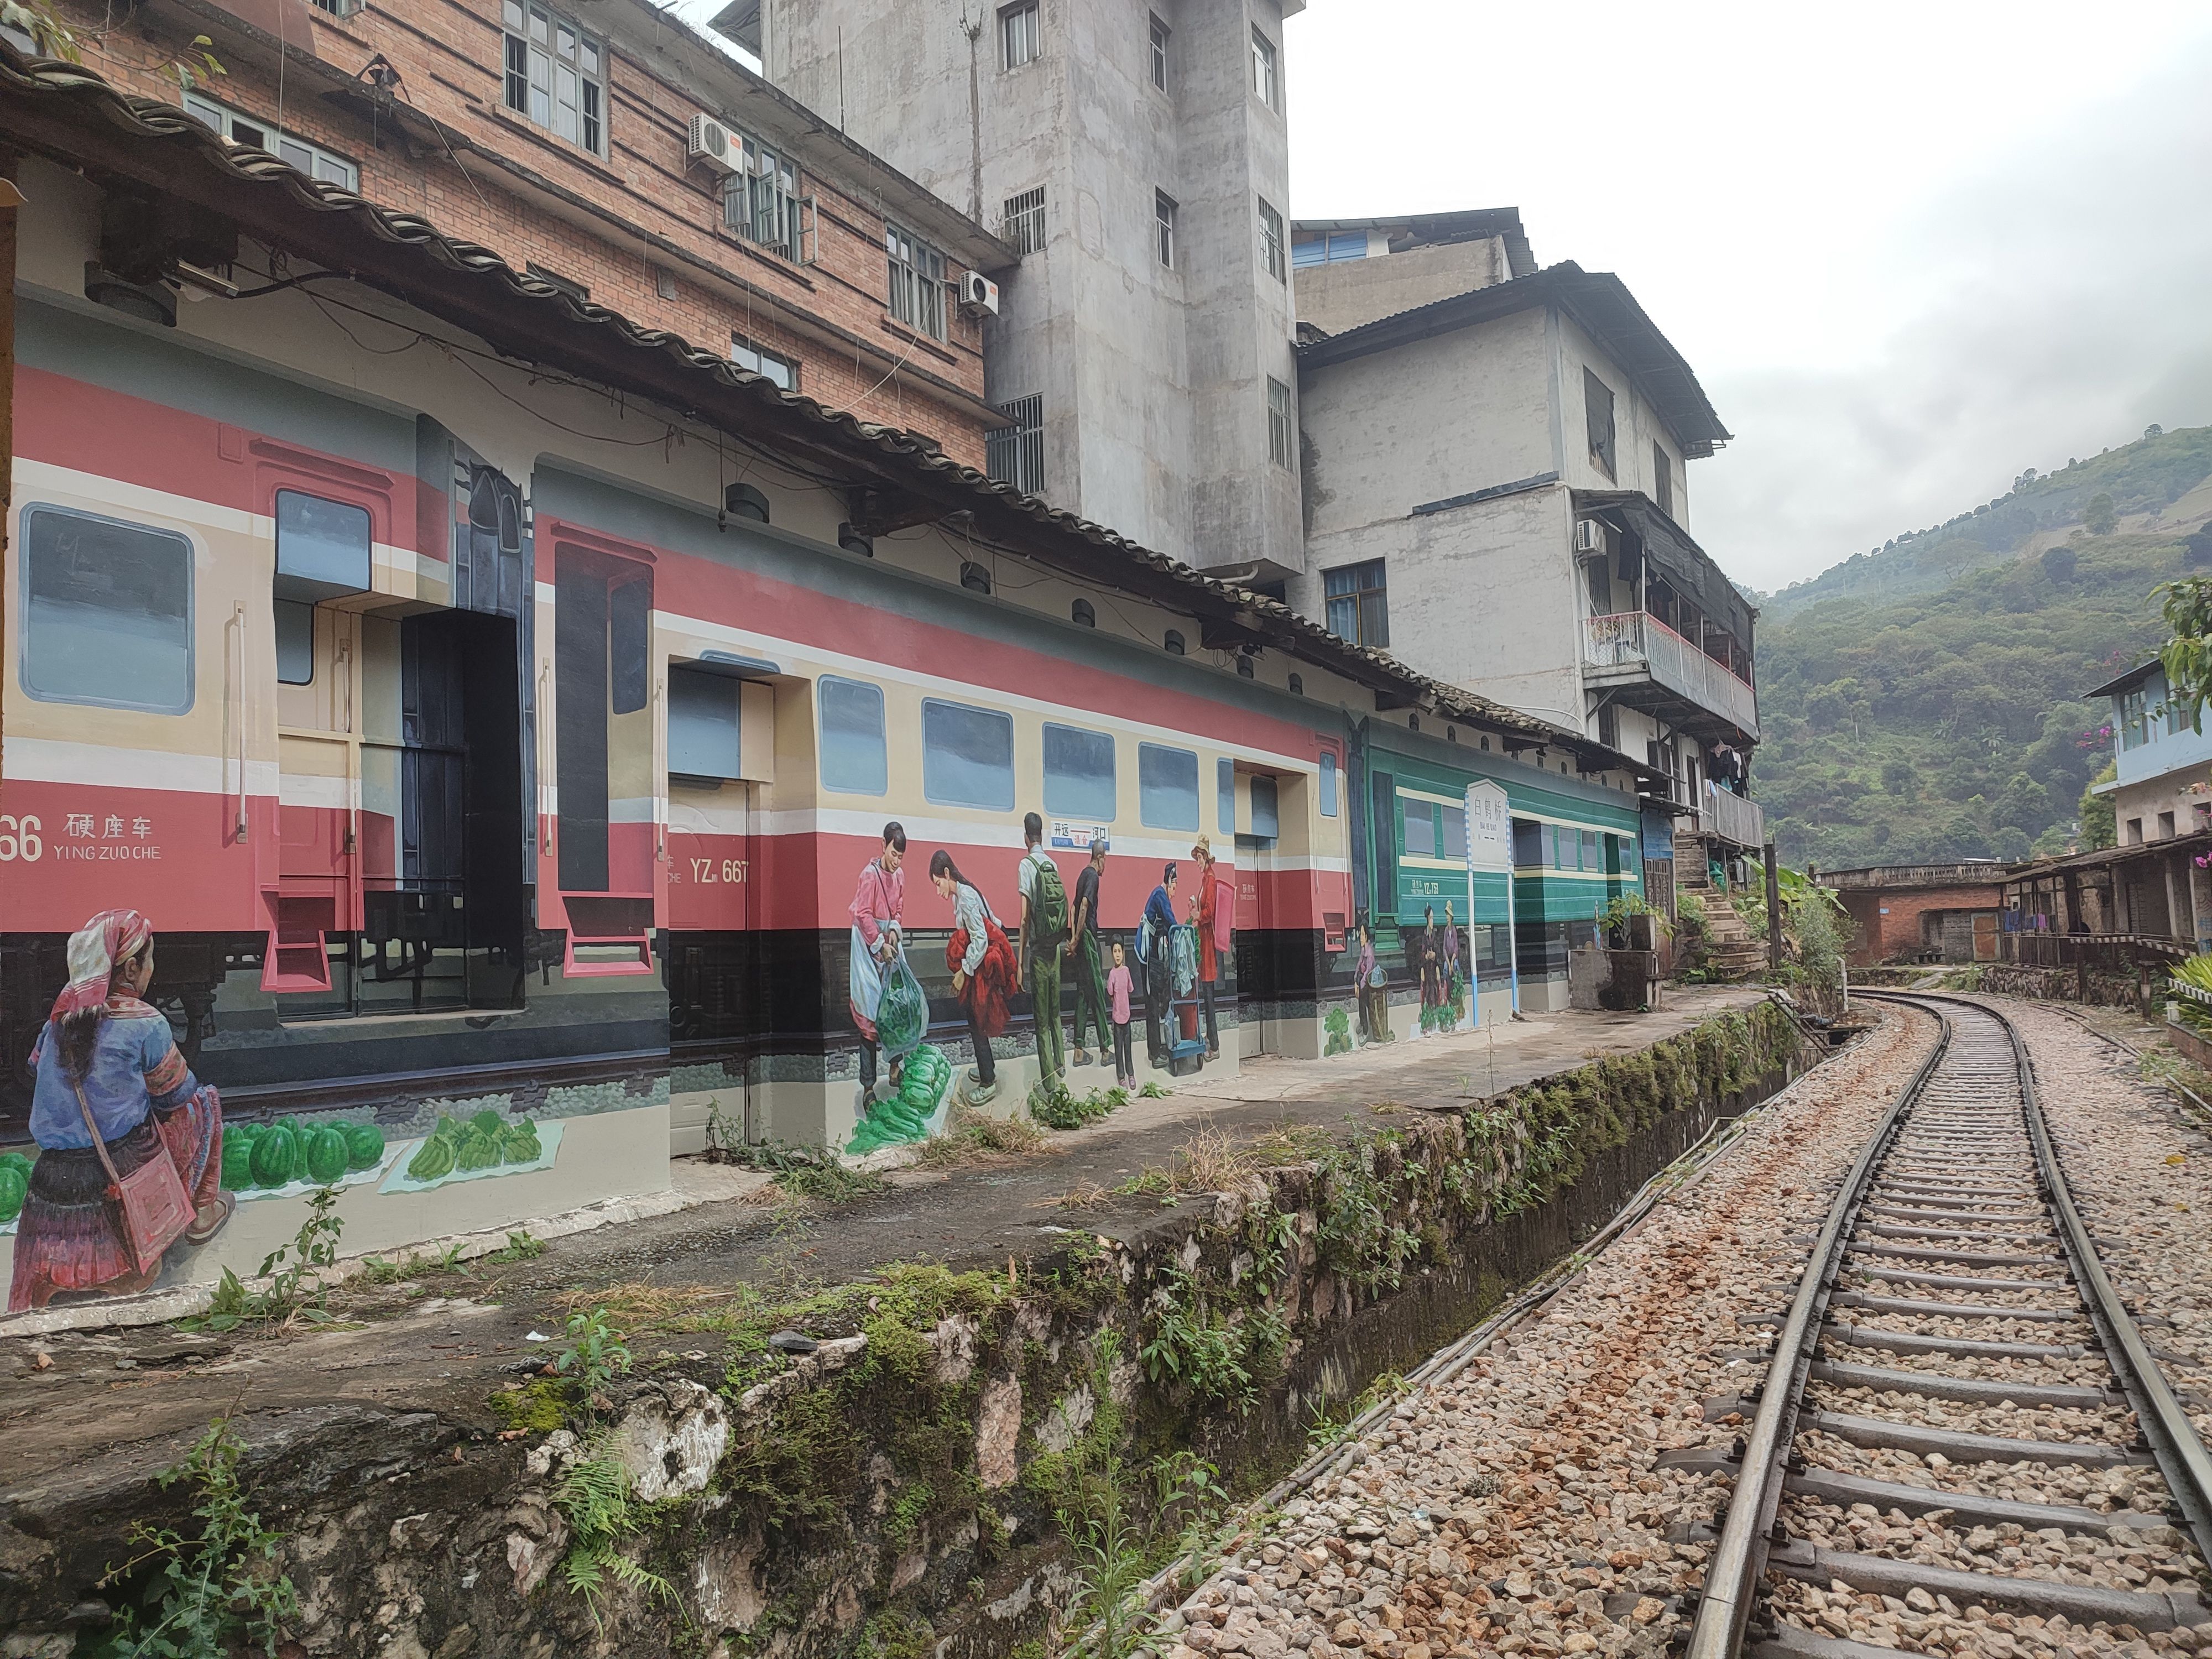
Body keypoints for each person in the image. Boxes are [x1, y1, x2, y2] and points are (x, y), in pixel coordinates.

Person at [9, 910, 232, 1313]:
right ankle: (199, 1212)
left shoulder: (57, 1022)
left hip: (52, 1174)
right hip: (118, 1167)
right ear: (131, 968)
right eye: (150, 960)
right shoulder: (147, 1023)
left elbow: (34, 1071)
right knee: (203, 1102)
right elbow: (175, 1095)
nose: (151, 969)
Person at [932, 850, 1016, 1107]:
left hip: (981, 966)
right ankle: (985, 1068)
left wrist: (964, 971)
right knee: (976, 1019)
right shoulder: (964, 894)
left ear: (947, 874)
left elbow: (980, 939)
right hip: (980, 963)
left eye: (938, 883)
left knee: (977, 1020)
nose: (938, 890)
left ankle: (988, 1082)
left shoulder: (966, 897)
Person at [848, 822, 906, 1104]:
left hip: (888, 945)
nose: (896, 861)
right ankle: (869, 1087)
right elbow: (862, 914)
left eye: (901, 857)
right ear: (883, 845)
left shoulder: (900, 875)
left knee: (895, 1008)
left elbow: (898, 909)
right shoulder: (869, 875)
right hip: (866, 946)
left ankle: (895, 1070)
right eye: (894, 854)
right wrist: (879, 943)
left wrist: (893, 931)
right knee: (870, 1017)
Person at [1016, 813, 1068, 1099]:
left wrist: (1020, 962)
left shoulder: (1026, 866)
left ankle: (1049, 1084)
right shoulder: (1052, 864)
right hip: (1056, 949)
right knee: (1056, 1012)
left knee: (1042, 1019)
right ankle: (1061, 1064)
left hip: (1038, 952)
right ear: (1042, 835)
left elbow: (1025, 919)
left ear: (1026, 837)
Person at [1067, 837, 1112, 1070]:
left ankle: (1078, 1050)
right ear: (1100, 857)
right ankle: (1105, 1050)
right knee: (1097, 990)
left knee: (1084, 993)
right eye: (1105, 861)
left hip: (1080, 937)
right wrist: (1078, 938)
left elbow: (1073, 907)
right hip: (1087, 938)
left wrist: (1073, 937)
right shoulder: (1093, 876)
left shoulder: (1082, 875)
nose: (1105, 867)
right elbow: (1084, 905)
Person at [1188, 836, 1231, 1060]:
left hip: (1207, 943)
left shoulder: (1210, 880)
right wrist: (1195, 910)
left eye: (1199, 857)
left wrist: (1197, 914)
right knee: (1207, 995)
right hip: (1204, 941)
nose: (1197, 862)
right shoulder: (1206, 879)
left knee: (1209, 996)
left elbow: (1210, 912)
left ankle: (1214, 1046)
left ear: (1205, 857)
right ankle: (1212, 1039)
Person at [1139, 862, 1179, 1068]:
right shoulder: (1161, 896)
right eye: (1175, 887)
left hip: (1151, 952)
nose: (1175, 892)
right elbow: (1172, 922)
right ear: (1169, 881)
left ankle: (1154, 1049)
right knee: (1153, 1002)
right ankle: (1155, 1054)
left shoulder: (1159, 895)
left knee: (1154, 1001)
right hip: (1148, 954)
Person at [1106, 936, 1136, 1089]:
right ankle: (1121, 1076)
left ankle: (1131, 1074)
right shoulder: (1112, 974)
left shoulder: (1126, 971)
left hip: (1127, 1016)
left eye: (1119, 951)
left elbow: (1130, 989)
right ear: (1112, 954)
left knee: (1128, 1048)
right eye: (1115, 951)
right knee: (1119, 1049)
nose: (1117, 955)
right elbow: (1110, 992)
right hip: (1117, 1019)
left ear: (1123, 952)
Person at [1355, 914, 1389, 1045]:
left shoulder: (1369, 954)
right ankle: (1363, 1022)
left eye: (1363, 935)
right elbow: (1359, 965)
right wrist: (1355, 981)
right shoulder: (1363, 950)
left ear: (1367, 937)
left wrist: (1360, 987)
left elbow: (1367, 973)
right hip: (1364, 981)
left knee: (1362, 999)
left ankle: (1365, 1030)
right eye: (1360, 934)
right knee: (1361, 998)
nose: (1361, 937)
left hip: (1370, 984)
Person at [1417, 903, 1444, 1021]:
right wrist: (1426, 956)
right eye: (1431, 918)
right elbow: (1422, 952)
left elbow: (1438, 950)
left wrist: (1435, 956)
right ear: (1428, 919)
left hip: (1434, 966)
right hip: (1427, 966)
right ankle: (1424, 1008)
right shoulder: (1425, 936)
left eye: (1433, 918)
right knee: (1426, 984)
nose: (1433, 921)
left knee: (1436, 981)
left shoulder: (1434, 935)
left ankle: (1438, 1005)